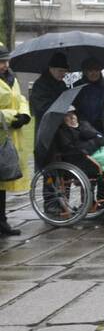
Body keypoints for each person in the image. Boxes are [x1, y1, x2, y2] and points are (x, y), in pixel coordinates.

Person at [0, 46, 32, 236]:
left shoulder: (11, 78)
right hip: (4, 132)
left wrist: (24, 114)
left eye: (6, 61)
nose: (6, 65)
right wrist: (13, 116)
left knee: (2, 182)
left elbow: (20, 98)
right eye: (2, 62)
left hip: (8, 137)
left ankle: (2, 222)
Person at [73, 57, 104, 132]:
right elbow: (76, 109)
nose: (94, 73)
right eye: (90, 70)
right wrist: (83, 124)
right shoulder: (77, 87)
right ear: (85, 72)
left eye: (96, 70)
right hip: (83, 129)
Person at [29, 52, 69, 124]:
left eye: (65, 71)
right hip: (46, 126)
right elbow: (42, 107)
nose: (63, 74)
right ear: (51, 69)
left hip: (61, 125)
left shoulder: (62, 84)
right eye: (60, 71)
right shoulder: (40, 85)